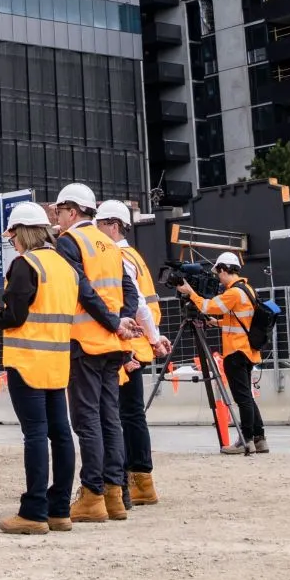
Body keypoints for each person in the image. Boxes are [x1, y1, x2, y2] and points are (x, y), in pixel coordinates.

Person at [0, 202, 78, 535]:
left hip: (27, 363)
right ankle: (60, 510)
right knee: (61, 434)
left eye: (12, 237)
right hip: (57, 361)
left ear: (20, 233)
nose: (12, 243)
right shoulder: (66, 268)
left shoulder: (25, 265)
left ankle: (34, 511)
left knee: (36, 435)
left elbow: (15, 317)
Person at [51, 182, 134, 525]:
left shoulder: (70, 242)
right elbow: (130, 290)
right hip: (113, 346)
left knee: (88, 422)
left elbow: (81, 289)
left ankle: (92, 495)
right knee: (109, 418)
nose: (57, 219)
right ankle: (115, 496)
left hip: (85, 341)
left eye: (59, 212)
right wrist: (122, 321)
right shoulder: (111, 245)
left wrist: (114, 321)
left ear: (72, 211)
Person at [99, 198, 169, 507]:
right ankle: (141, 480)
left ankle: (137, 477)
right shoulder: (134, 255)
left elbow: (137, 303)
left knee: (124, 416)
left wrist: (149, 341)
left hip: (130, 346)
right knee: (131, 415)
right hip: (140, 344)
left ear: (112, 226)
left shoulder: (119, 256)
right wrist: (154, 340)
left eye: (100, 226)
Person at [176, 251, 266, 455]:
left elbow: (210, 306)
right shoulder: (247, 289)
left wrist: (191, 292)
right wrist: (216, 323)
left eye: (219, 273)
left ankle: (246, 440)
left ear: (225, 270)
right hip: (247, 350)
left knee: (242, 398)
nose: (218, 277)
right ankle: (259, 439)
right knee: (247, 397)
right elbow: (240, 320)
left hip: (236, 351)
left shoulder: (234, 292)